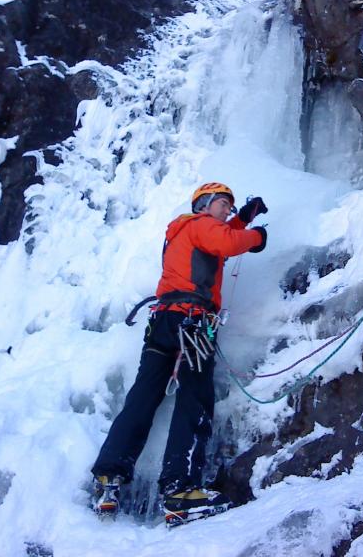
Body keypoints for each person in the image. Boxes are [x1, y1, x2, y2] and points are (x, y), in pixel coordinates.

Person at [91, 182, 268, 525]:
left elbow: (221, 238)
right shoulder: (201, 225)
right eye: (224, 204)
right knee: (195, 398)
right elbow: (227, 242)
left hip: (164, 323)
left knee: (143, 397)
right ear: (205, 204)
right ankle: (180, 489)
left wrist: (243, 218)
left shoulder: (183, 230)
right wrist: (257, 236)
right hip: (193, 324)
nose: (227, 211)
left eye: (231, 207)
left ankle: (109, 473)